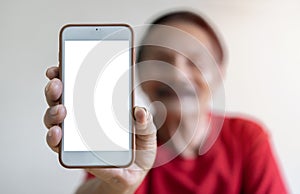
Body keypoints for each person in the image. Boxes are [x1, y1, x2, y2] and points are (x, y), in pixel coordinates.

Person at [44, 10, 288, 194]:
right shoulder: (124, 146)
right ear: (139, 74)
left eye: (195, 61)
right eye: (161, 61)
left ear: (219, 72)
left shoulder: (247, 137)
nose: (176, 75)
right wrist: (118, 187)